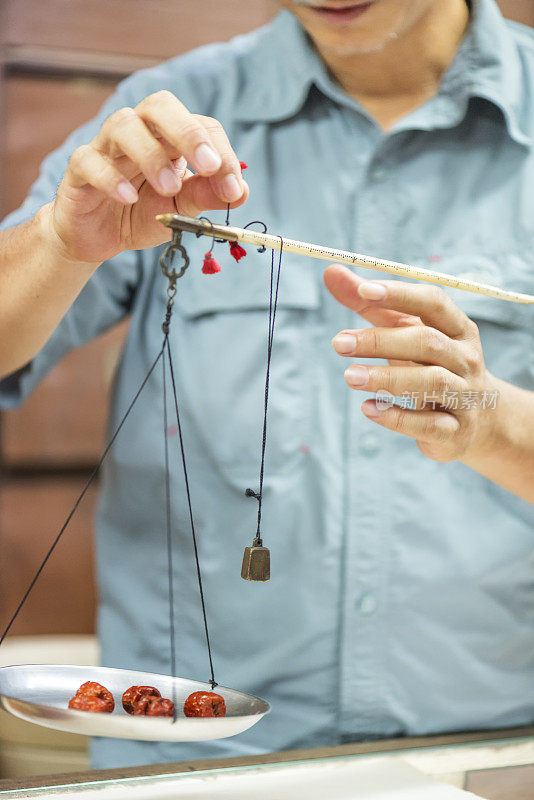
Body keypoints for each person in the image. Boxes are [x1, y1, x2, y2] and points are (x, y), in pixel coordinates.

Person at [1, 0, 534, 770]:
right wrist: (57, 242)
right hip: (193, 768)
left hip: (486, 755)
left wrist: (494, 423)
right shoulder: (163, 126)